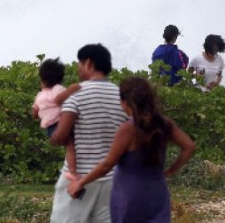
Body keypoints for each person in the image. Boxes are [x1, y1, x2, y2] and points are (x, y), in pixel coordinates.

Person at [67, 77, 195, 223]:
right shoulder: (165, 123)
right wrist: (171, 171)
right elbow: (189, 147)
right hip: (157, 193)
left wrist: (81, 182)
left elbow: (107, 164)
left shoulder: (128, 129)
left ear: (125, 102)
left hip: (130, 196)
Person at [49, 44, 128, 223]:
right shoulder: (121, 97)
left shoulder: (76, 94)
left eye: (79, 63)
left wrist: (50, 129)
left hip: (77, 179)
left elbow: (60, 137)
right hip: (111, 179)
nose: (77, 67)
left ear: (88, 63)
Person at [32, 57, 80, 176]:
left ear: (42, 79)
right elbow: (58, 100)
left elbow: (35, 114)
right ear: (60, 79)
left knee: (69, 147)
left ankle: (71, 170)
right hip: (60, 125)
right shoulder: (58, 89)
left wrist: (41, 113)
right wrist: (72, 89)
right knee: (71, 147)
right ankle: (73, 171)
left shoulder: (40, 95)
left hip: (50, 130)